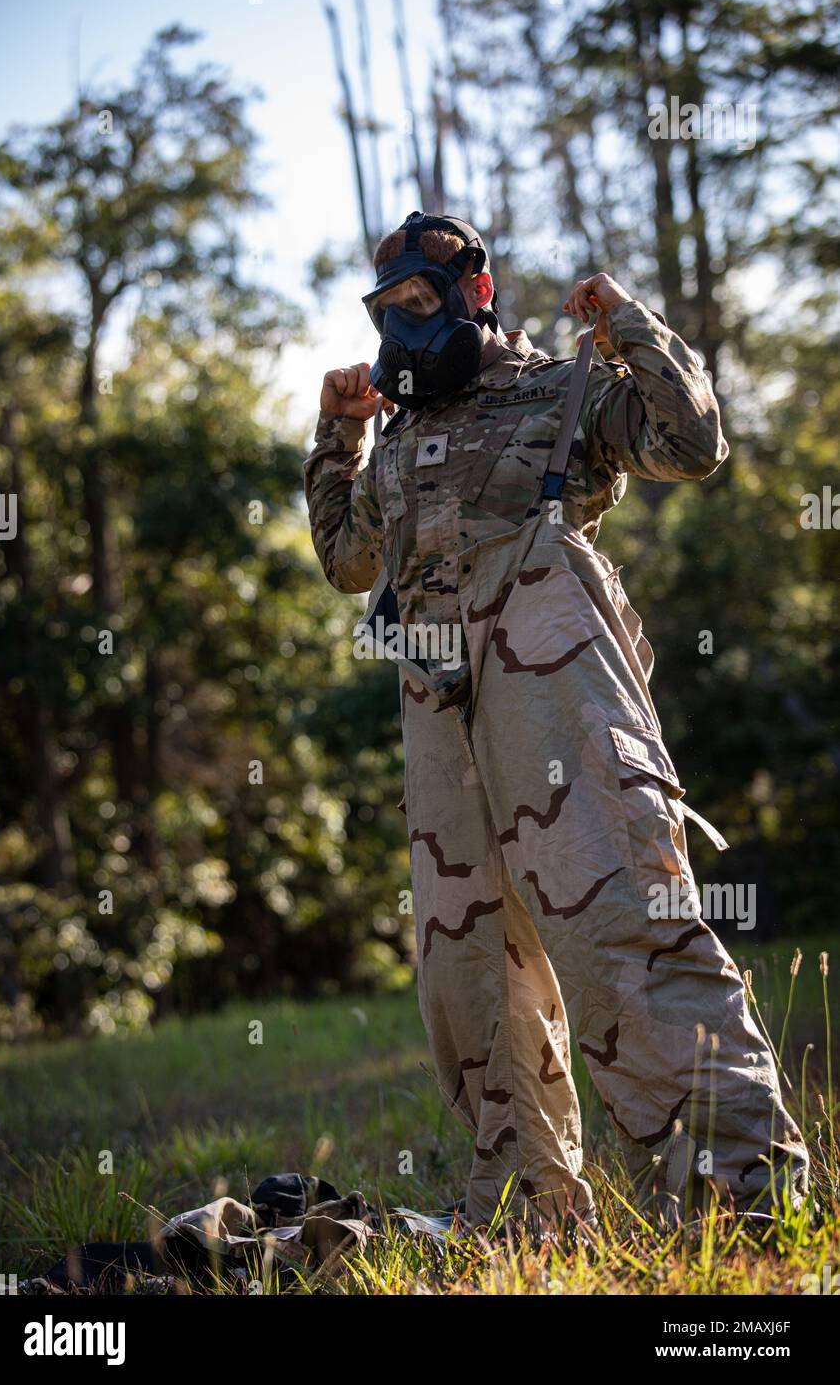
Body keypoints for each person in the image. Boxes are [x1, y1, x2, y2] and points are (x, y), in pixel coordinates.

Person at [303, 210, 810, 1236]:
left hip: (558, 701)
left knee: (623, 926)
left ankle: (741, 1210)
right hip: (438, 718)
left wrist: (627, 324)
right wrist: (340, 436)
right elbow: (349, 565)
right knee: (467, 974)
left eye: (417, 304)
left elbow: (693, 442)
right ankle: (529, 1217)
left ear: (472, 294)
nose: (401, 330)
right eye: (384, 312)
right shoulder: (397, 448)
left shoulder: (561, 388)